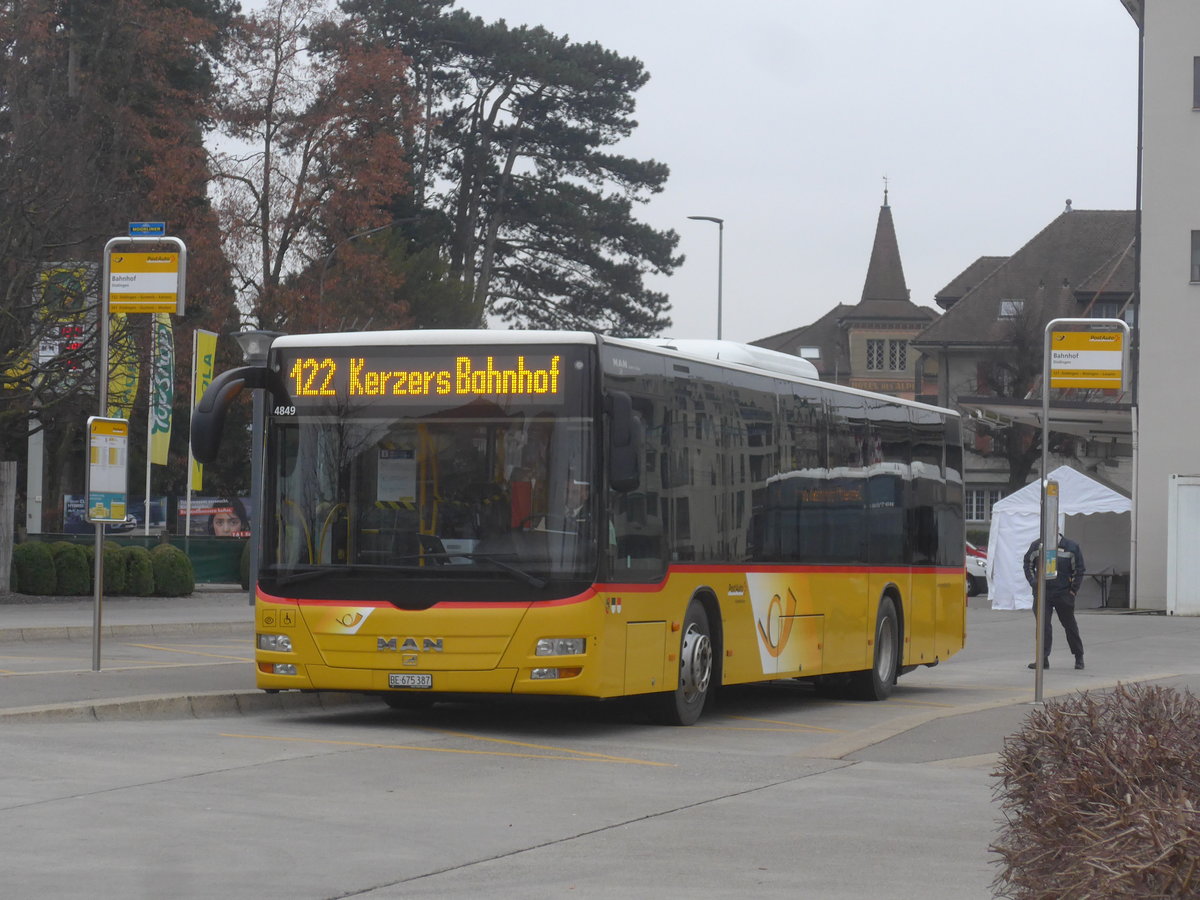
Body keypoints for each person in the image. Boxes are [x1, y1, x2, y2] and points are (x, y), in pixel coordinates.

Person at [1023, 532, 1086, 669]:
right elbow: (1028, 564)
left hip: (1063, 593)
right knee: (1043, 627)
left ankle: (1078, 656)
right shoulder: (1037, 546)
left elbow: (1079, 569)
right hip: (1042, 593)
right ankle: (1043, 659)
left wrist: (1073, 590)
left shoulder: (1071, 547)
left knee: (1070, 625)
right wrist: (1034, 582)